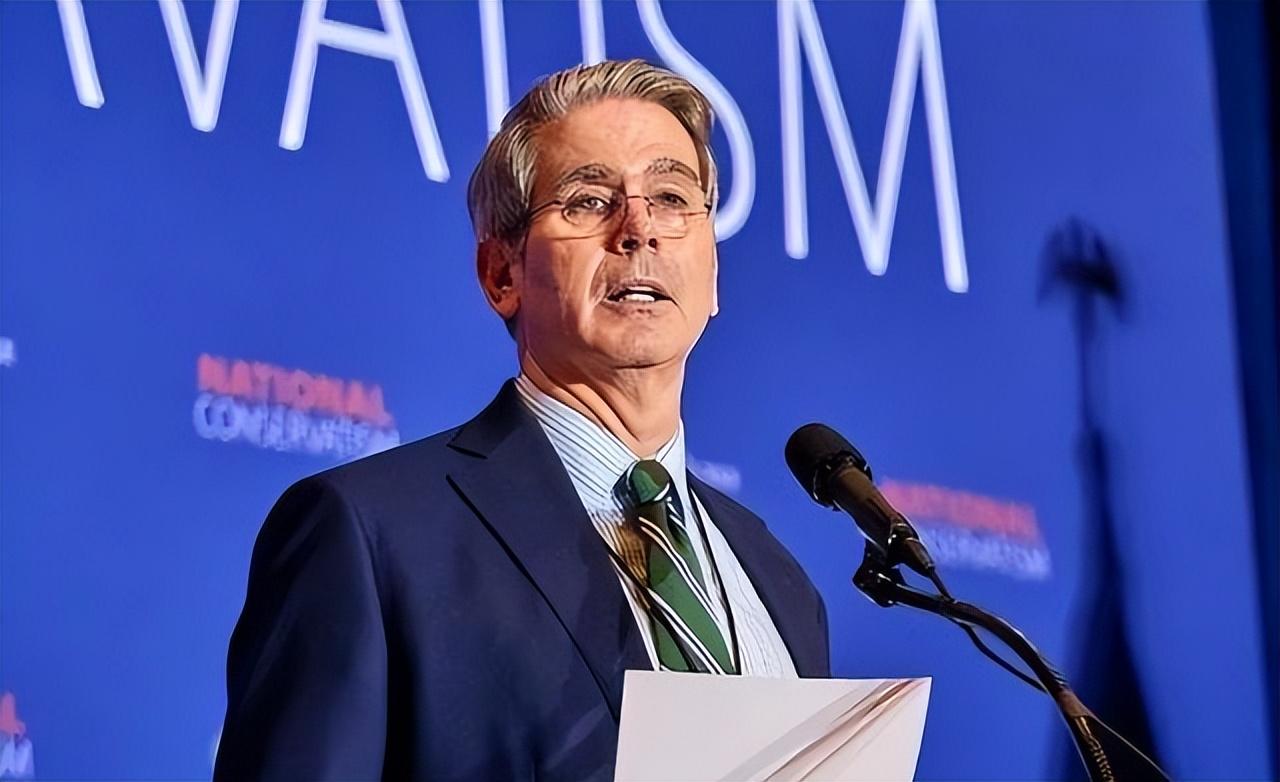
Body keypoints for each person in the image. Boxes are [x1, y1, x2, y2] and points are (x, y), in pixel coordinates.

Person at [213, 58, 829, 782]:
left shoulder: (778, 582)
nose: (639, 230)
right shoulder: (372, 534)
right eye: (589, 201)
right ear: (501, 274)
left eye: (671, 197)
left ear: (714, 273)